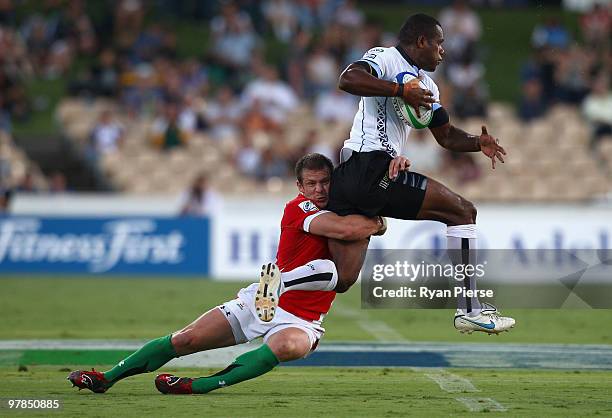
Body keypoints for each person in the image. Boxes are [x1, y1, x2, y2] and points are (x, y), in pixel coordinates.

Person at [67, 153, 385, 395]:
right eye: (312, 184)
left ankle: (199, 385)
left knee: (289, 345)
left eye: (325, 182)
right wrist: (379, 224)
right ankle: (104, 379)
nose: (319, 189)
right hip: (262, 299)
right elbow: (345, 230)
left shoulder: (341, 209)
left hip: (303, 319)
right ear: (299, 187)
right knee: (185, 339)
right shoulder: (298, 208)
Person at [326, 13, 514, 334]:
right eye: (439, 44)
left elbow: (445, 135)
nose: (443, 51)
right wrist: (399, 91)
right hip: (366, 165)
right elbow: (347, 79)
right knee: (463, 212)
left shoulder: (427, 85)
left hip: (364, 177)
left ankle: (281, 282)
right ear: (422, 41)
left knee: (343, 278)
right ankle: (469, 309)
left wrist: (476, 143)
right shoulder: (384, 58)